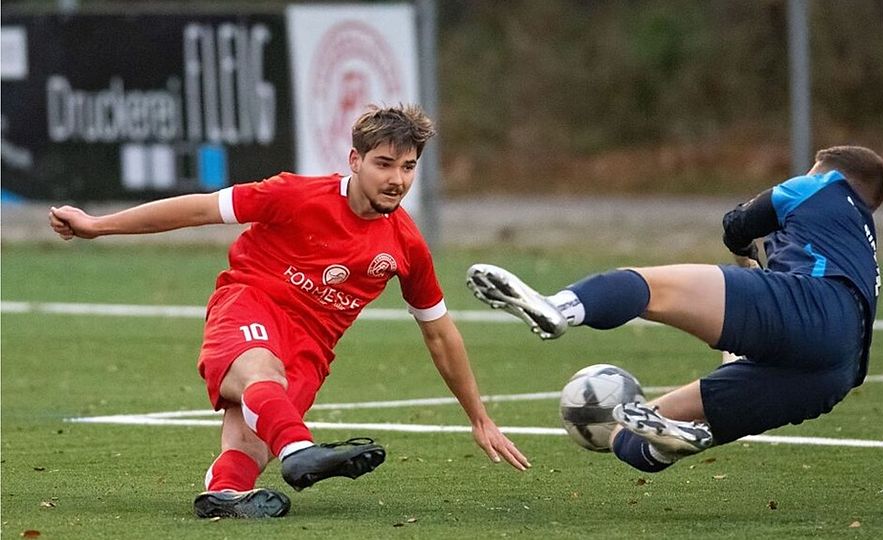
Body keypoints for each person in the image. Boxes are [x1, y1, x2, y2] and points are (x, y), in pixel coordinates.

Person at [49, 104, 530, 519]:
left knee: (248, 446)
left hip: (311, 351)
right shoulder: (295, 195)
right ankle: (300, 450)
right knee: (262, 372)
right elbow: (198, 210)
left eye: (408, 167)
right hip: (249, 304)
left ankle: (224, 494)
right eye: (384, 164)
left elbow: (440, 334)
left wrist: (479, 417)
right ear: (355, 160)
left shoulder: (406, 245)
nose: (397, 179)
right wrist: (98, 226)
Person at [467, 145, 883, 473]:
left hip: (813, 306)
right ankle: (667, 446)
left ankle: (558, 307)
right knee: (638, 431)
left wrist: (744, 252)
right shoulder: (860, 245)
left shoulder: (821, 186)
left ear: (831, 174)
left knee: (652, 289)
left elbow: (737, 223)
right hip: (835, 373)